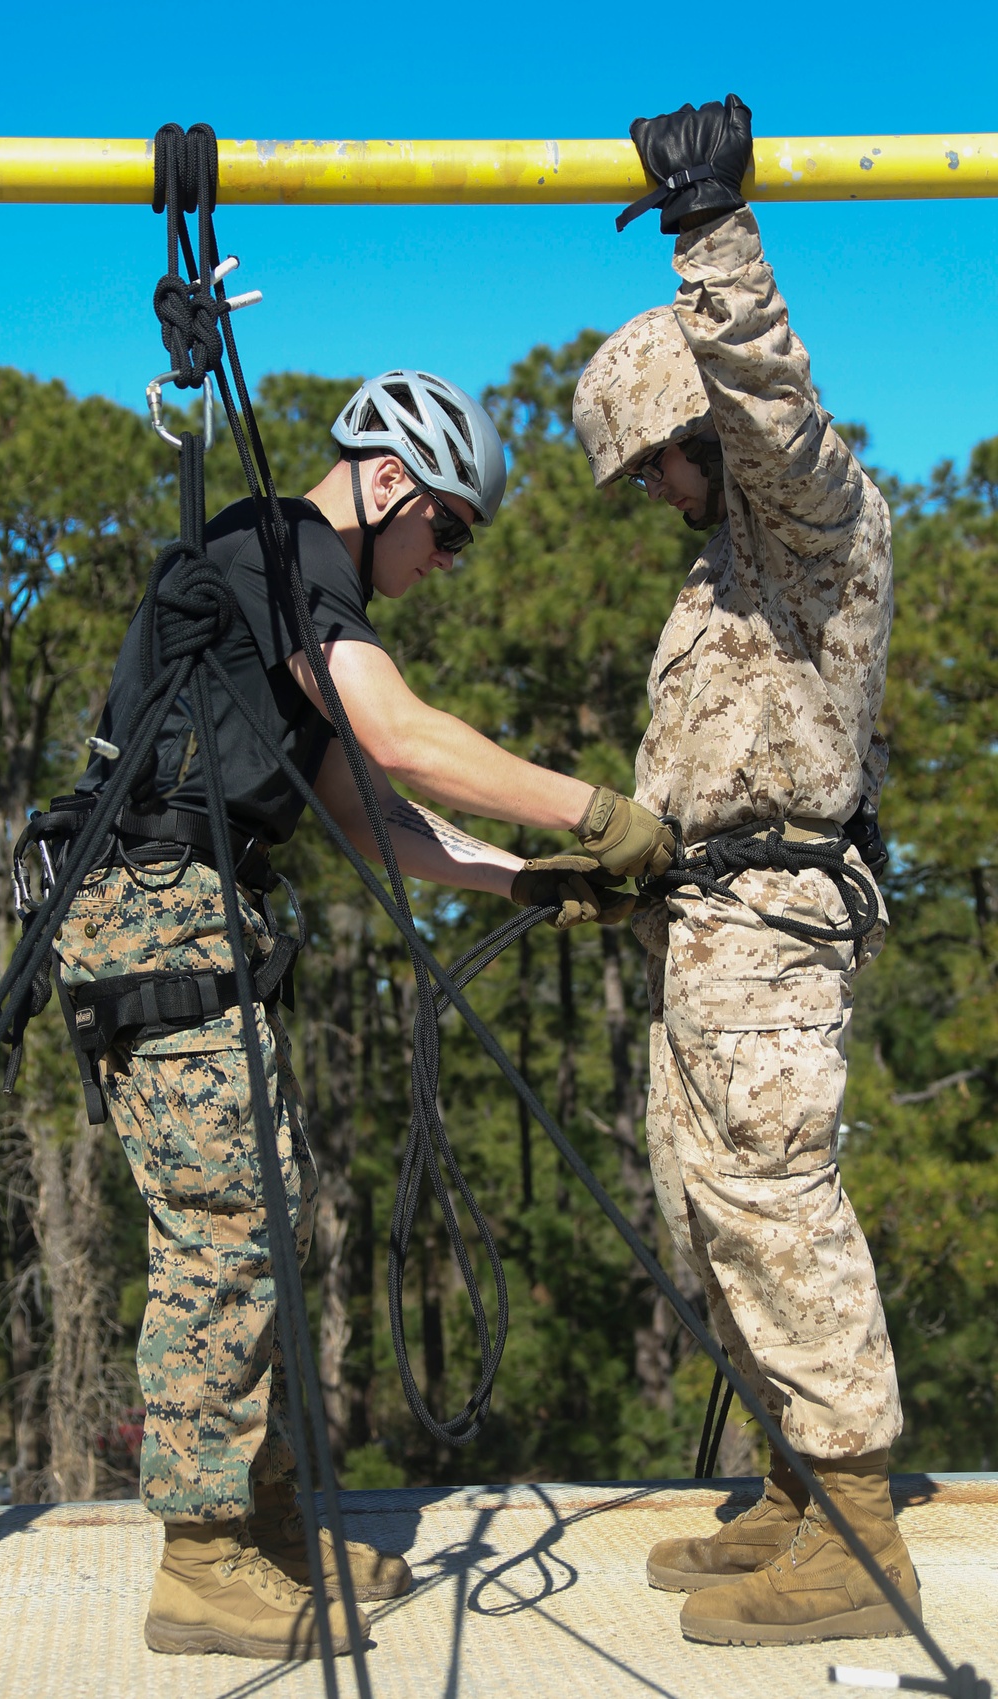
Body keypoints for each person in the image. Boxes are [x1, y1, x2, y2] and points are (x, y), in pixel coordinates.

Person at [53, 368, 674, 1661]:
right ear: (387, 481)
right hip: (153, 909)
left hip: (193, 910)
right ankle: (206, 1562)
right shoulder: (282, 546)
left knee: (266, 1206)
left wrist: (526, 876)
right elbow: (399, 736)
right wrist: (595, 812)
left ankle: (262, 1516)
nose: (446, 561)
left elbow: (368, 813)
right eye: (447, 529)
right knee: (226, 1221)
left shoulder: (284, 595)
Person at [572, 96, 919, 1647]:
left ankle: (857, 1531)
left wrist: (716, 235)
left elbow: (773, 408)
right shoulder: (719, 582)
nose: (655, 495)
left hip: (775, 930)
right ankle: (792, 1476)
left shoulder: (815, 526)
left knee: (776, 1197)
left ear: (704, 432)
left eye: (657, 464)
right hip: (705, 923)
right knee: (705, 1206)